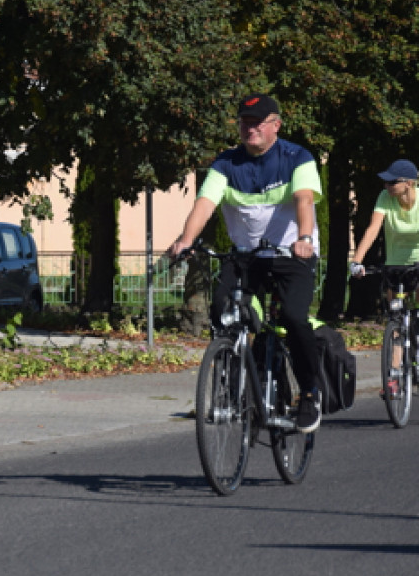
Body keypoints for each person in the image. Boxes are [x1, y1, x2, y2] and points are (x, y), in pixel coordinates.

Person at [166, 93, 324, 433]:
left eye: (257, 123)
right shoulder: (226, 163)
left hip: (290, 253)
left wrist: (304, 239)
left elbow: (304, 199)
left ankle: (310, 393)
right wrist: (186, 240)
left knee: (294, 317)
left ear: (275, 125)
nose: (249, 128)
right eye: (244, 122)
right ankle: (233, 389)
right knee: (222, 310)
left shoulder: (297, 157)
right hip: (246, 256)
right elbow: (205, 204)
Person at [349, 158, 419, 399]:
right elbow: (372, 230)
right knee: (395, 318)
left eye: (392, 182)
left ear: (409, 183)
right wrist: (356, 261)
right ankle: (394, 376)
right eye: (386, 182)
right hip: (395, 263)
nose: (387, 186)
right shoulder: (385, 198)